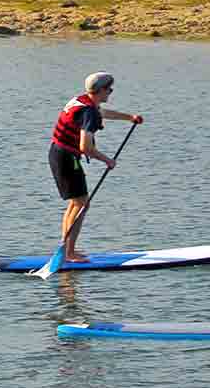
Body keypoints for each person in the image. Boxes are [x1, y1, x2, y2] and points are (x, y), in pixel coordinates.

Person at [48, 71, 143, 263]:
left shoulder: (82, 100)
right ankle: (69, 253)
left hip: (59, 154)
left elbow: (103, 113)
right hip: (66, 158)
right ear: (100, 90)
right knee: (82, 203)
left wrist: (129, 117)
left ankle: (67, 250)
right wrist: (107, 160)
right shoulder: (89, 111)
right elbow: (85, 147)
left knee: (77, 203)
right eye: (109, 89)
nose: (111, 92)